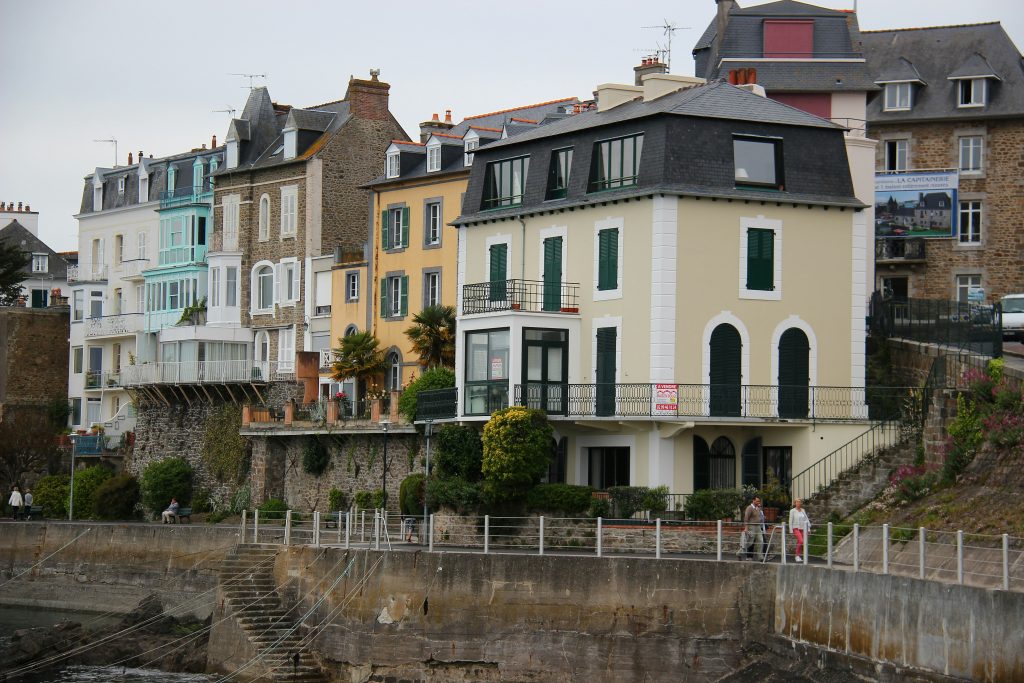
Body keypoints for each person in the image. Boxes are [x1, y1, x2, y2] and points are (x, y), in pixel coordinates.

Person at [789, 498, 811, 562]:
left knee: (800, 542)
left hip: (803, 528)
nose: (798, 503)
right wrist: (791, 530)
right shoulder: (792, 511)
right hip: (796, 528)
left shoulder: (803, 510)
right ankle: (797, 555)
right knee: (801, 541)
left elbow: (806, 520)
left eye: (799, 502)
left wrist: (808, 529)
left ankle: (798, 556)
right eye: (797, 502)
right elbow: (790, 521)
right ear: (795, 503)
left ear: (801, 503)